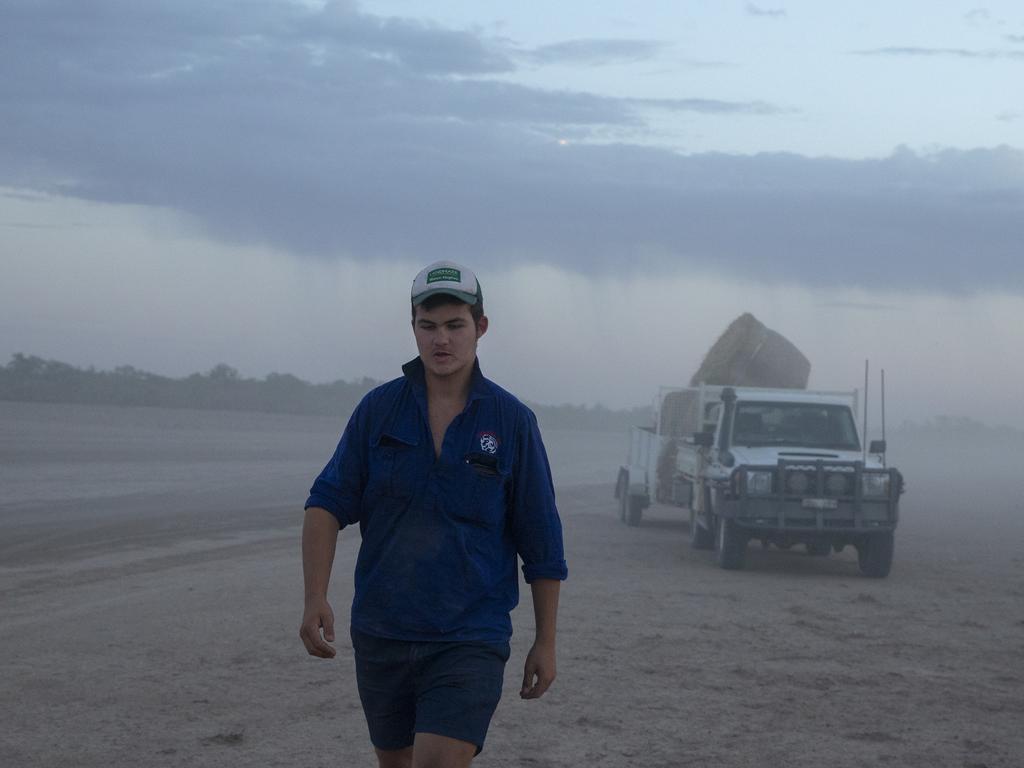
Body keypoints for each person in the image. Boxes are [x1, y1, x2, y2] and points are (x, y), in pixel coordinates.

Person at [299, 260, 568, 768]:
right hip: (383, 632)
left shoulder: (512, 422)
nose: (440, 340)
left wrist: (546, 642)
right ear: (414, 327)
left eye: (454, 325)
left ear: (480, 327)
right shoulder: (378, 411)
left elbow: (542, 544)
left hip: (470, 635)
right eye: (428, 325)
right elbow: (326, 504)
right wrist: (315, 595)